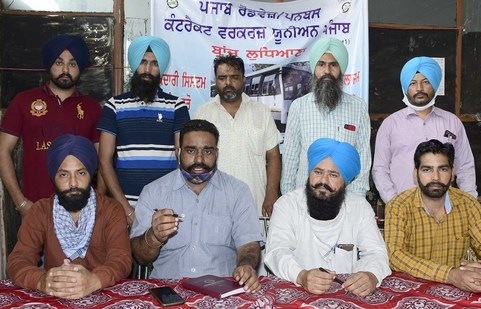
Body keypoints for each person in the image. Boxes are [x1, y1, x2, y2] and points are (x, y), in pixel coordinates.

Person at [130, 119, 263, 293]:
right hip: (168, 291)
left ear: (217, 153)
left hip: (222, 291)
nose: (199, 159)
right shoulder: (154, 192)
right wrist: (153, 237)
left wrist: (246, 266)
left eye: (207, 151)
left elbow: (248, 245)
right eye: (191, 151)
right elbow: (139, 256)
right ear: (178, 152)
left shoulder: (238, 191)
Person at [7, 134, 132, 300]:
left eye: (80, 173)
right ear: (54, 177)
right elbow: (17, 261)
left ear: (91, 174)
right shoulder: (41, 211)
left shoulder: (111, 210)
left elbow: (121, 260)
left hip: (102, 295)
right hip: (56, 297)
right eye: (64, 175)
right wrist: (42, 281)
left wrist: (94, 280)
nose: (73, 183)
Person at [265, 138, 391, 296]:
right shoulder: (287, 205)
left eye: (333, 175)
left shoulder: (359, 207)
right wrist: (302, 276)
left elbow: (376, 252)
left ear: (346, 181)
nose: (323, 181)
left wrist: (371, 275)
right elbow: (276, 251)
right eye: (317, 172)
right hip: (296, 292)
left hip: (346, 295)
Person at [0, 34, 103, 217]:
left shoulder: (92, 108)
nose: (66, 69)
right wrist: (21, 204)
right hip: (35, 211)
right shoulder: (23, 101)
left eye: (73, 64)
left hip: (82, 212)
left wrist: (98, 203)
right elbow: (1, 152)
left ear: (80, 68)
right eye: (59, 62)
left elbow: (103, 161)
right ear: (50, 64)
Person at [384, 139, 481, 293]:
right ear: (415, 174)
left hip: (457, 290)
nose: (435, 177)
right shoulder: (398, 205)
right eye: (427, 170)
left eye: (442, 169)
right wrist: (449, 275)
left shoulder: (468, 204)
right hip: (409, 291)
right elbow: (395, 256)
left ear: (453, 173)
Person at [97, 35, 191, 225]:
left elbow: (183, 158)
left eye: (155, 64)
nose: (148, 70)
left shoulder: (176, 106)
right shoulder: (114, 106)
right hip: (122, 209)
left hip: (166, 208)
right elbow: (104, 160)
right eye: (143, 62)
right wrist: (127, 210)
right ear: (134, 65)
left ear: (161, 68)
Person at [372, 56, 477, 204]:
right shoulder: (390, 124)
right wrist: (394, 203)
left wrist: (470, 202)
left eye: (426, 82)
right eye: (413, 83)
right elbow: (380, 169)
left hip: (444, 208)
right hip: (403, 207)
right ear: (405, 88)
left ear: (435, 84)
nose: (419, 88)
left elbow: (465, 167)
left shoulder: (452, 122)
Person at [280, 37, 371, 198]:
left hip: (344, 202)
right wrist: (291, 199)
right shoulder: (299, 106)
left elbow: (363, 159)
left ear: (341, 69)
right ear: (314, 68)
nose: (327, 71)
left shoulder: (359, 108)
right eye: (321, 64)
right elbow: (290, 159)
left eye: (333, 65)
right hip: (304, 200)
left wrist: (355, 201)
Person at [193, 55, 282, 217]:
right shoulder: (203, 113)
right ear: (216, 80)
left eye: (234, 77)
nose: (228, 83)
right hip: (212, 206)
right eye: (222, 78)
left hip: (254, 203)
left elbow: (274, 156)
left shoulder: (261, 112)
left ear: (244, 80)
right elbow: (193, 161)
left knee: (254, 243)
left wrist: (271, 194)